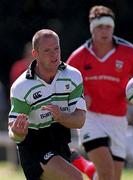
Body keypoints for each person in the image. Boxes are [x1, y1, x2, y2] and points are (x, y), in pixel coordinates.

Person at [67, 5, 133, 180]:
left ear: (113, 27)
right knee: (106, 173)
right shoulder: (78, 57)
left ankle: (84, 166)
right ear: (92, 29)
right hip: (91, 118)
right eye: (99, 27)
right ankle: (87, 167)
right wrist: (80, 99)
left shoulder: (129, 52)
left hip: (118, 118)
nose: (104, 31)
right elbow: (65, 85)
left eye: (108, 26)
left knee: (111, 178)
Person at [8, 29, 87, 180]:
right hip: (33, 147)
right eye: (47, 51)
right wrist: (18, 132)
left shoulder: (73, 76)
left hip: (60, 143)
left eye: (56, 48)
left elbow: (80, 121)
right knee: (75, 177)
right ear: (35, 54)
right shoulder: (22, 87)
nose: (54, 54)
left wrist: (61, 116)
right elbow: (14, 132)